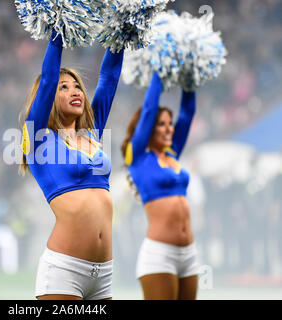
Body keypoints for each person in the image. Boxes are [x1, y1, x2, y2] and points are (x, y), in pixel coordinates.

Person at [19, 30, 124, 300]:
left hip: (104, 274)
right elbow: (48, 79)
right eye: (63, 88)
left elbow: (109, 78)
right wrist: (59, 29)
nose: (74, 91)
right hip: (64, 271)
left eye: (77, 86)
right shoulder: (38, 137)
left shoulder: (92, 134)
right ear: (48, 98)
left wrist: (122, 32)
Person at [120, 72, 200, 300]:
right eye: (161, 124)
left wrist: (190, 78)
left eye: (169, 124)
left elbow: (187, 113)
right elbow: (148, 109)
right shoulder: (135, 156)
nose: (169, 129)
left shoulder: (172, 152)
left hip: (189, 253)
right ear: (147, 129)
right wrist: (158, 71)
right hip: (160, 254)